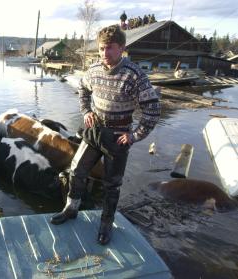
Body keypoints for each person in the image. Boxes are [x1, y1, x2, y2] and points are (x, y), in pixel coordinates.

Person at [50, 25, 160, 245]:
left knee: (112, 184)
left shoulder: (134, 75)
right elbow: (82, 89)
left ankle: (106, 224)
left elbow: (153, 110)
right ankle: (71, 209)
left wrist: (134, 136)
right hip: (94, 131)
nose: (104, 53)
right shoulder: (94, 70)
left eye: (110, 48)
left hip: (119, 137)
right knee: (76, 170)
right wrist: (87, 111)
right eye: (101, 49)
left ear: (122, 48)